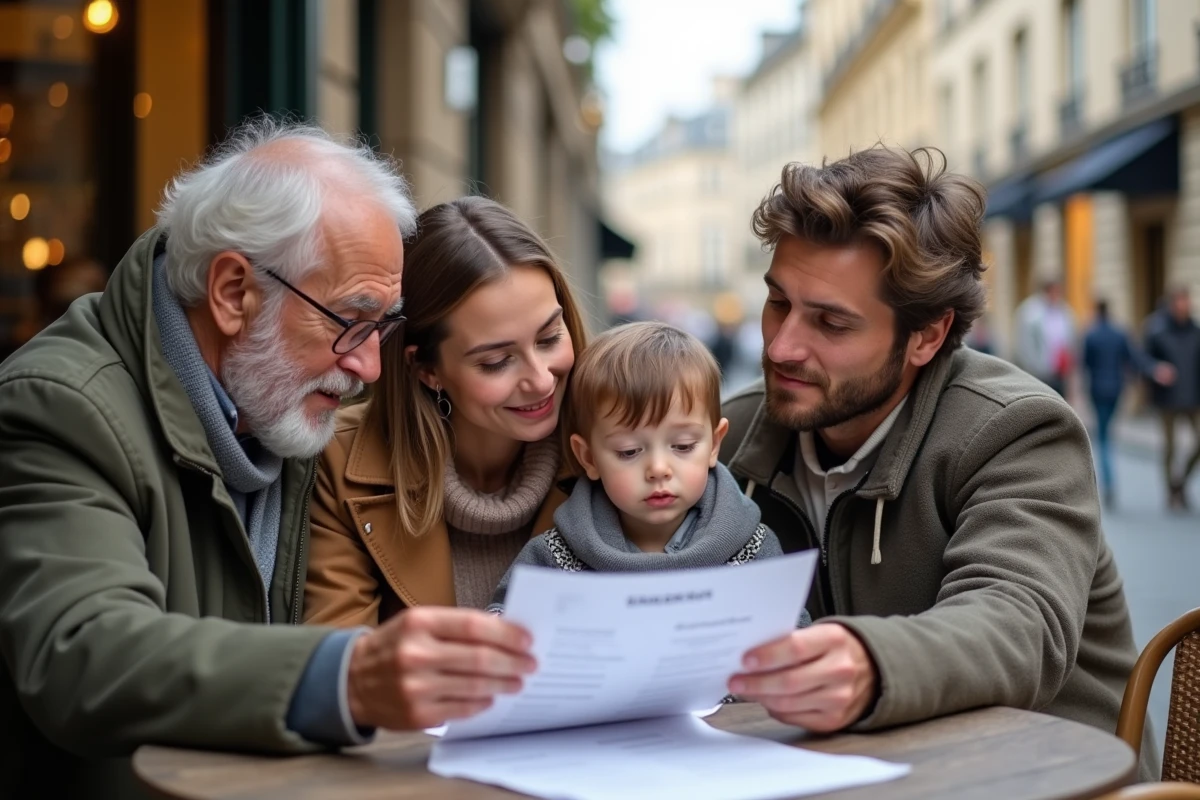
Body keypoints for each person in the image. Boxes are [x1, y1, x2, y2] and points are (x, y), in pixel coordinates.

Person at [0, 120, 530, 798]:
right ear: (232, 293)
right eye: (349, 320)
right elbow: (83, 653)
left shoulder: (287, 403)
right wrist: (347, 676)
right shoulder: (62, 405)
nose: (368, 366)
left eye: (384, 326)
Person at [719, 146, 1157, 781]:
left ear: (926, 335)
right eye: (778, 303)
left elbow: (1018, 624)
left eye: (832, 324)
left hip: (1040, 782)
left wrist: (871, 663)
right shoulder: (729, 438)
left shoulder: (1016, 429)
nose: (782, 346)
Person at [303, 195, 588, 625]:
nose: (542, 379)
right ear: (426, 369)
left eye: (549, 338)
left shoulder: (619, 443)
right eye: (496, 361)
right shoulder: (337, 464)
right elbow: (345, 661)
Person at [487, 322, 806, 629]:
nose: (658, 469)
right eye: (628, 451)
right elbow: (502, 631)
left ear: (714, 444)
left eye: (682, 446)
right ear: (589, 457)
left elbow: (795, 637)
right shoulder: (555, 557)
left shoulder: (752, 549)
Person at [1082, 298, 1173, 509]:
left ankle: (1109, 482)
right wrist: (1152, 371)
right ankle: (1110, 480)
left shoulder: (1091, 335)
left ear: (1096, 311)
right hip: (1116, 389)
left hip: (1097, 390)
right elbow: (1134, 358)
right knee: (1108, 432)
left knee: (1103, 435)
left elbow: (1085, 364)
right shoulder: (1120, 333)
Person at [1144, 285, 1200, 510]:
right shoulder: (1157, 331)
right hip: (1167, 398)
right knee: (1169, 447)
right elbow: (1144, 360)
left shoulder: (1196, 330)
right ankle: (1170, 490)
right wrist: (1155, 369)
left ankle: (1181, 482)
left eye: (1186, 301)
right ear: (1172, 305)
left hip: (1194, 397)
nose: (1184, 306)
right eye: (1179, 302)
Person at [1014, 279, 1077, 397]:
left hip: (1060, 373)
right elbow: (1024, 345)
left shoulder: (1064, 312)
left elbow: (1070, 342)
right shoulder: (1030, 312)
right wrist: (1034, 367)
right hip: (1038, 374)